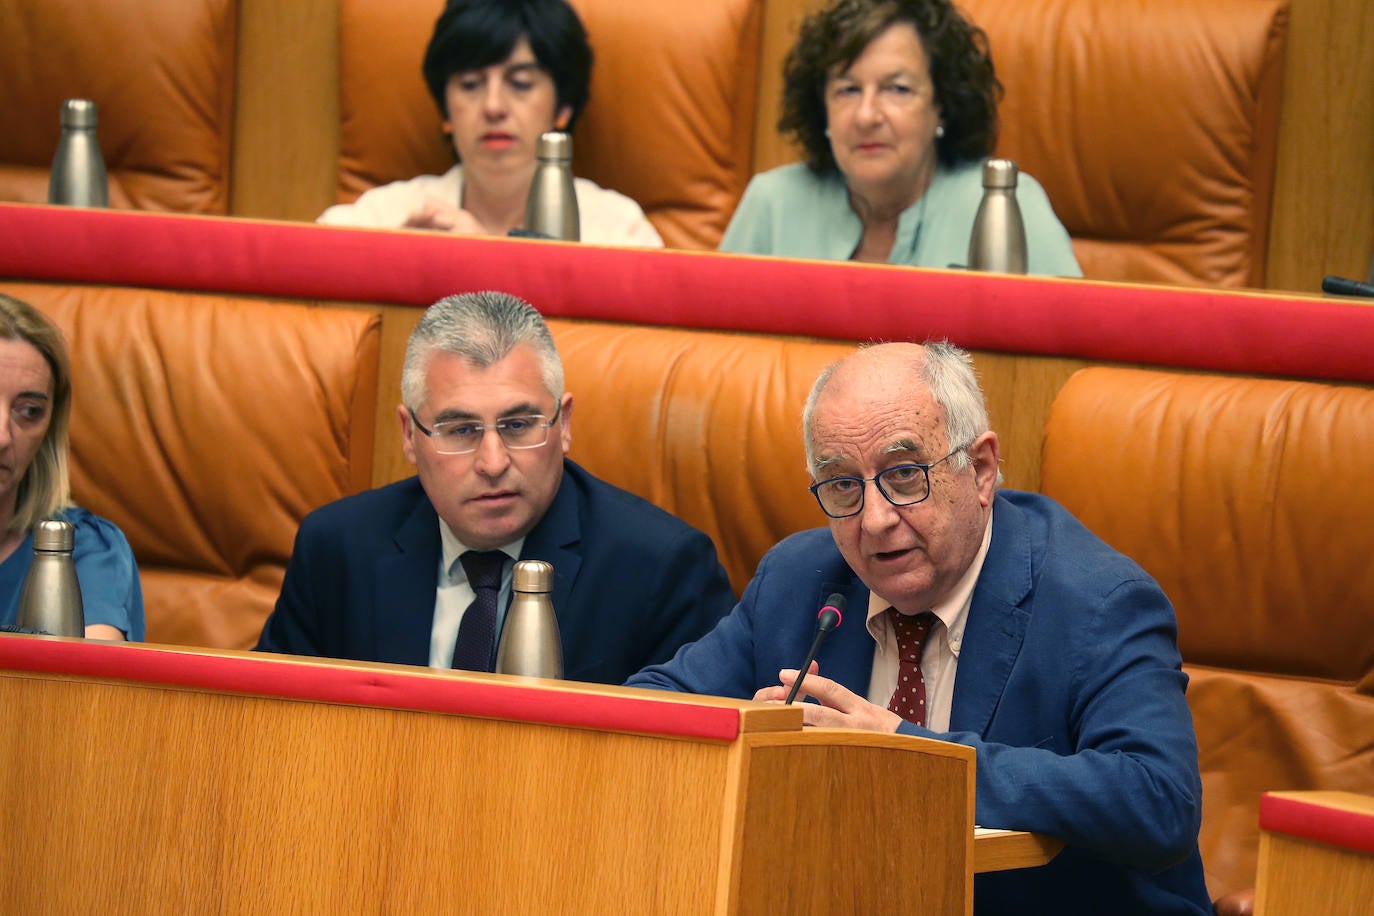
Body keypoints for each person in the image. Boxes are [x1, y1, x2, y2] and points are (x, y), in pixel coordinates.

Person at [627, 341, 1211, 913]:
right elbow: (654, 710)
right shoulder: (799, 580)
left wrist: (909, 758)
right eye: (842, 486)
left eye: (905, 474)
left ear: (981, 471)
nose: (875, 520)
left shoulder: (1097, 601)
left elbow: (1160, 801)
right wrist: (752, 749)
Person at [257, 291, 735, 684]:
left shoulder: (663, 569)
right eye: (460, 430)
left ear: (563, 424)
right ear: (409, 435)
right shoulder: (337, 550)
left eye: (518, 425)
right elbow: (271, 728)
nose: (492, 462)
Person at [719, 0, 1080, 275]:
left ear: (940, 104)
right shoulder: (772, 204)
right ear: (821, 106)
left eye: (897, 89)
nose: (866, 116)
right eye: (847, 90)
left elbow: (1068, 364)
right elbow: (717, 358)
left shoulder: (1002, 206)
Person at [318, 0, 663, 248]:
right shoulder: (387, 217)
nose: (493, 106)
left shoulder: (619, 230)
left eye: (521, 83)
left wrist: (485, 261)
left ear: (563, 108)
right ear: (446, 112)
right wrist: (392, 262)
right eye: (470, 84)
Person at [0, 293, 144, 641]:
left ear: (49, 428)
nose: (2, 437)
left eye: (29, 411)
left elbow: (81, 689)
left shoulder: (82, 548)